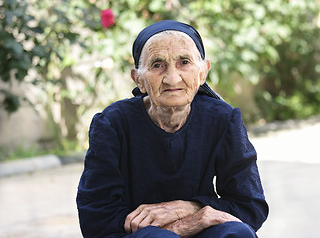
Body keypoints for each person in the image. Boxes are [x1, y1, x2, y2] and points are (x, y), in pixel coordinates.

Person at [76, 20, 269, 238]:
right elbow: (96, 218)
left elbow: (250, 206)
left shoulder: (223, 119)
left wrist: (194, 208)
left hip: (202, 230)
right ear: (138, 79)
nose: (172, 78)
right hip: (139, 235)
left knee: (236, 233)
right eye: (157, 65)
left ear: (203, 72)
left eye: (184, 62)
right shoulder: (112, 124)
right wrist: (173, 229)